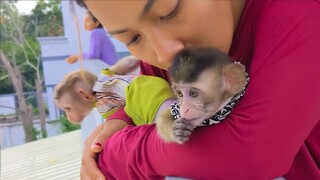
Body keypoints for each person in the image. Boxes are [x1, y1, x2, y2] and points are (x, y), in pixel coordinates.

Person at [73, 0, 320, 179]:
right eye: (133, 39)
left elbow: (253, 154)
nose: (163, 53)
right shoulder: (168, 54)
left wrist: (120, 151)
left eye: (169, 11)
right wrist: (119, 122)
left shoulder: (302, 10)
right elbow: (152, 92)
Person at [54, 65, 175, 152]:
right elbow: (126, 64)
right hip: (152, 83)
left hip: (142, 98)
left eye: (68, 108)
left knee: (170, 133)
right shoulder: (104, 77)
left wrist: (103, 135)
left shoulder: (103, 103)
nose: (68, 117)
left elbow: (116, 121)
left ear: (85, 95)